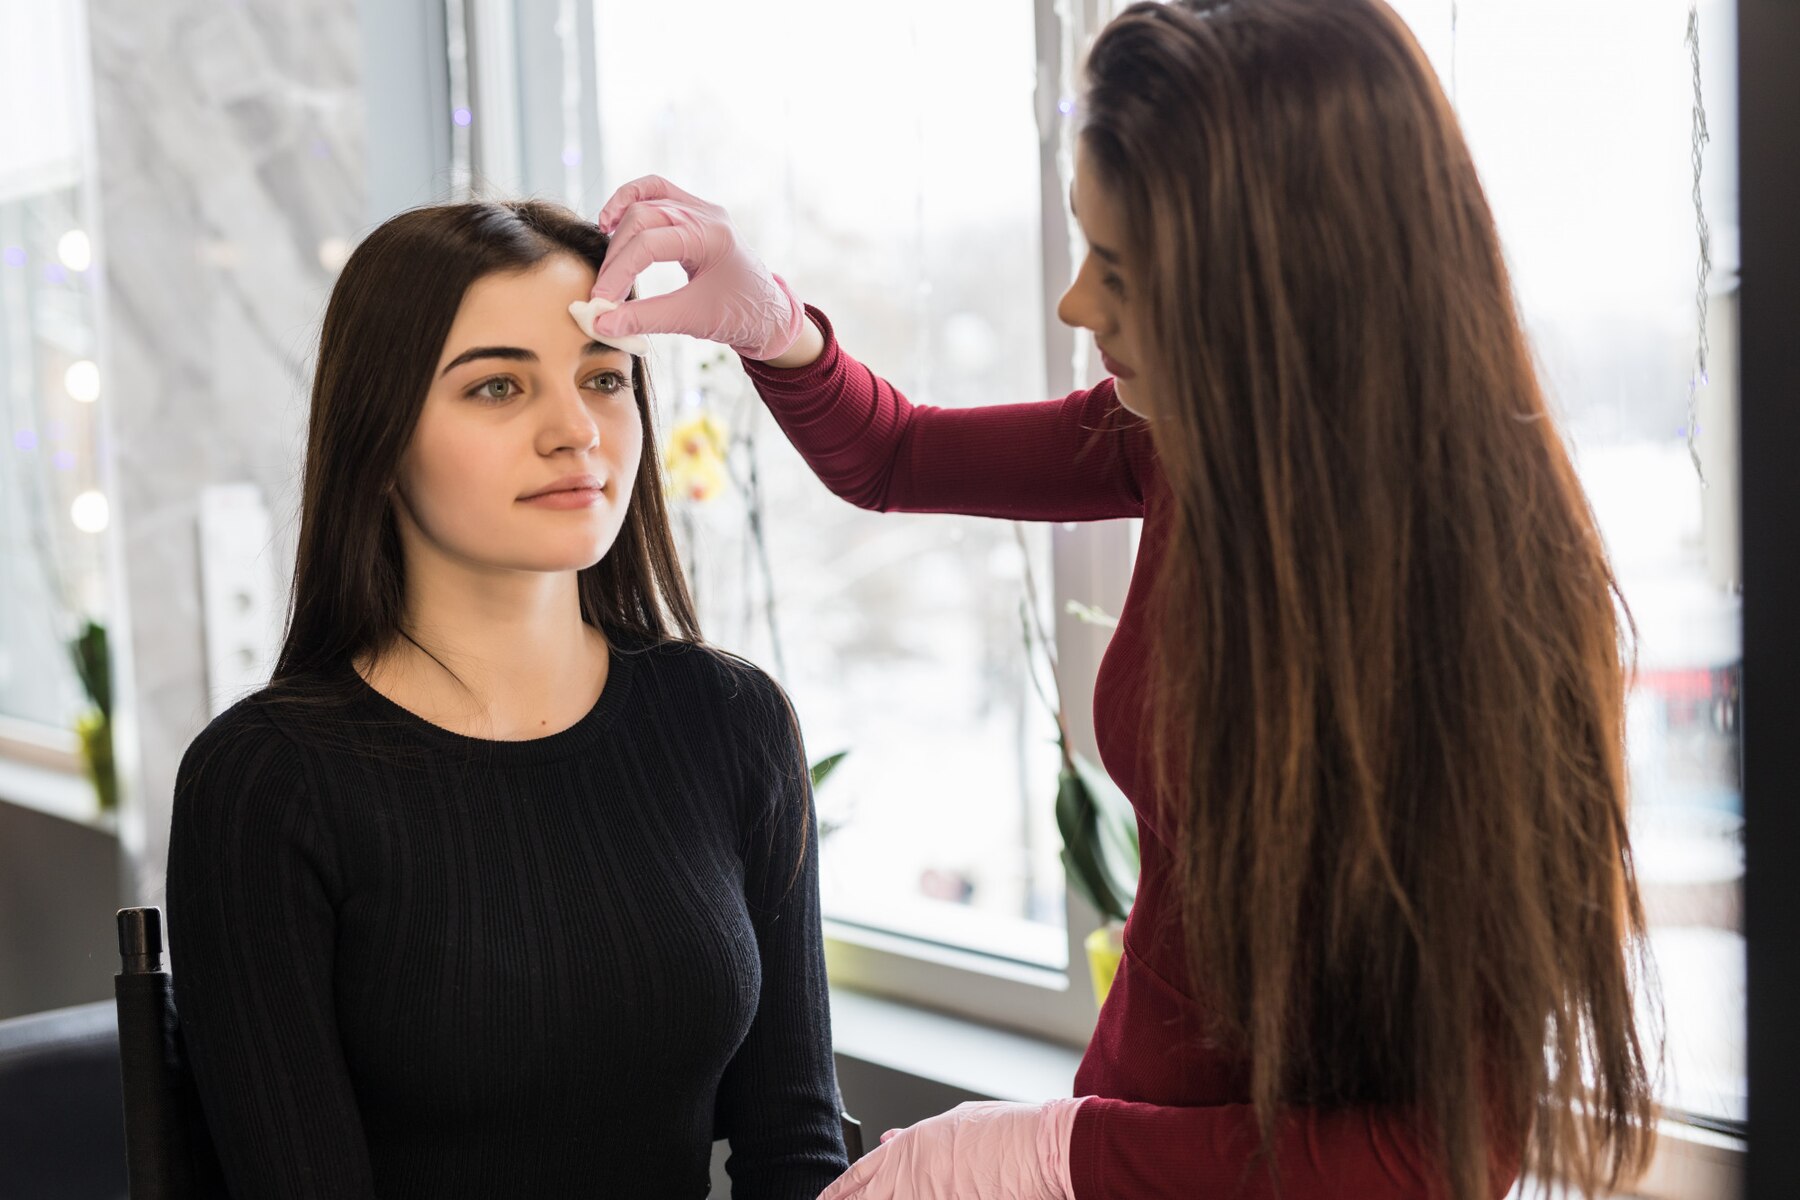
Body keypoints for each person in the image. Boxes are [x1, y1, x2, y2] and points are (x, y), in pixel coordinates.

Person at [575, 1, 1659, 1197]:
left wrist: (1047, 1155)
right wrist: (772, 326)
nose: (1075, 305)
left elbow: (1435, 1155)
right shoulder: (1195, 438)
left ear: (1287, 288)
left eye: (1124, 271)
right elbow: (899, 458)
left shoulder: (1491, 629)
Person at [165, 199, 847, 1199]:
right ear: (380, 437)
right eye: (496, 386)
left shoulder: (731, 721)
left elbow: (796, 1147)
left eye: (603, 378)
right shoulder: (267, 783)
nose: (576, 431)